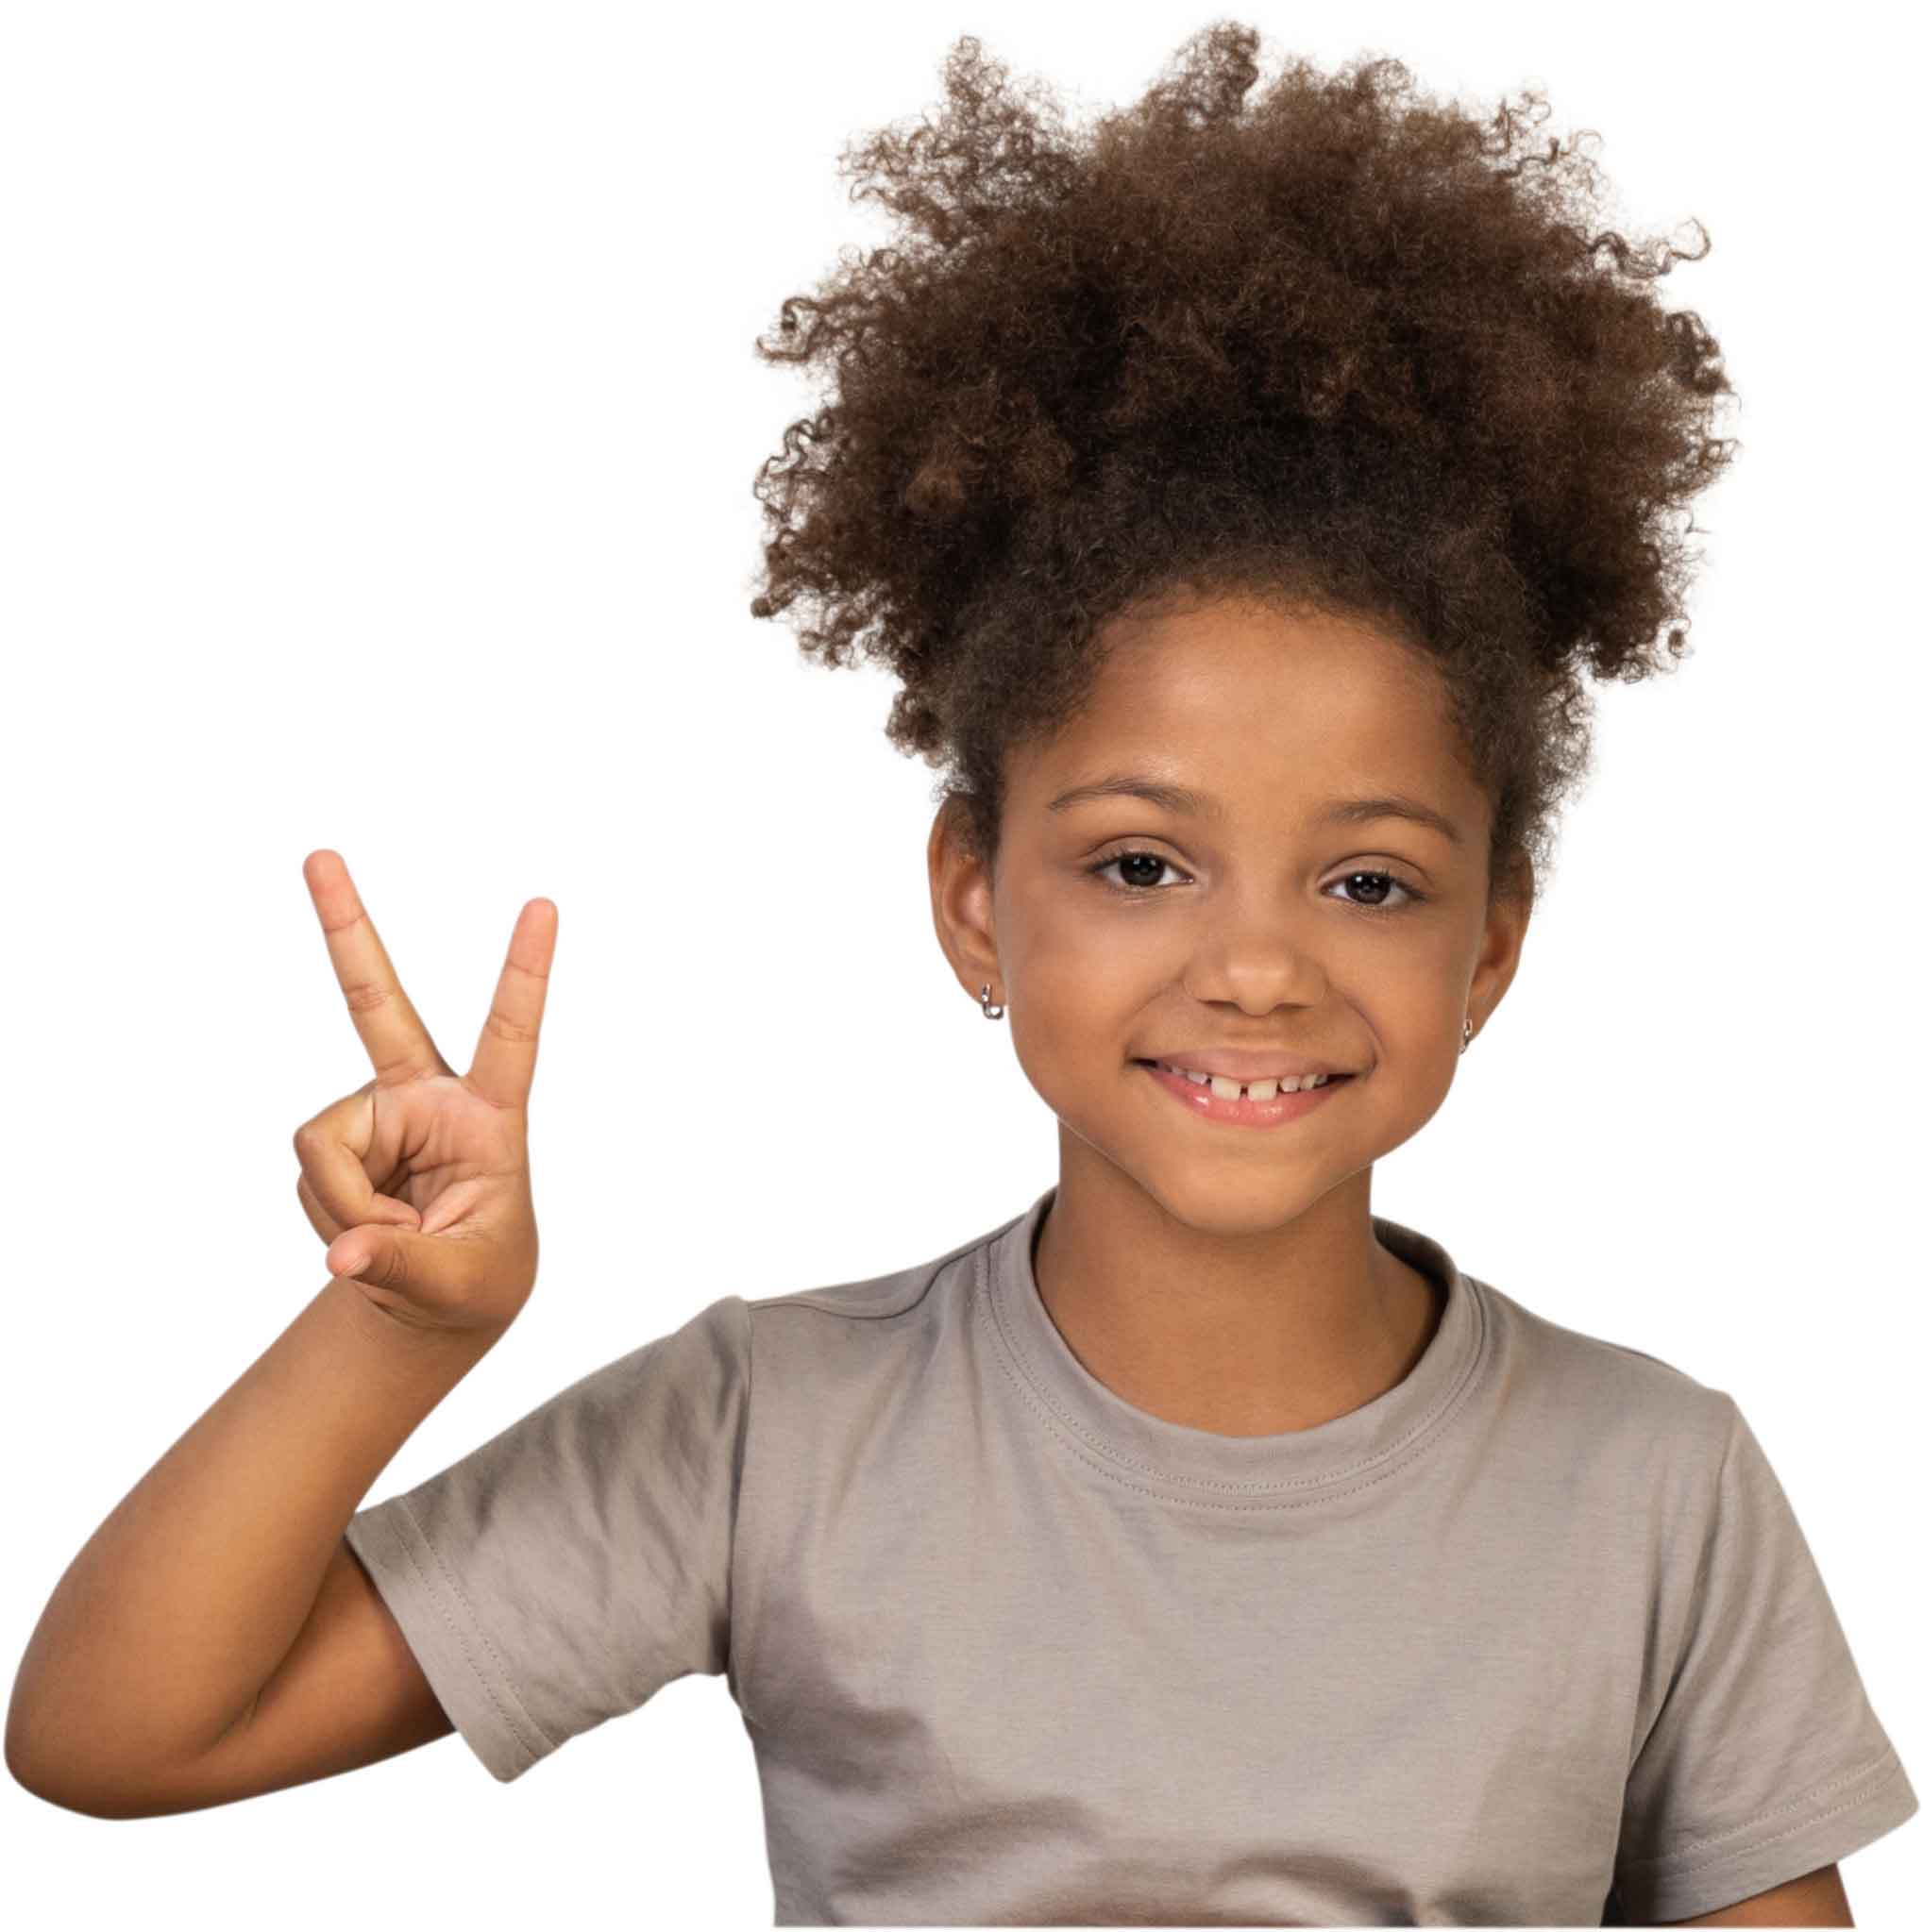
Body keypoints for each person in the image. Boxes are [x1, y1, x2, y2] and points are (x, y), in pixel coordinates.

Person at [8, 22, 1912, 1927]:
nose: (1253, 965)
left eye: (1365, 879)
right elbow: (116, 1734)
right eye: (1141, 862)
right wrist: (399, 1332)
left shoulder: (1652, 1486)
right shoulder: (776, 1429)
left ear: (1490, 938)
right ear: (975, 901)